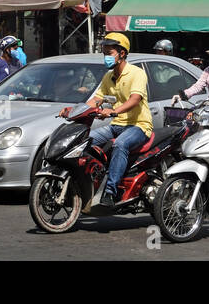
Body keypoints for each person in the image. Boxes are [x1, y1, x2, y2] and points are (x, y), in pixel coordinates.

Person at [64, 33, 152, 209]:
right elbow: (96, 100)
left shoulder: (137, 73)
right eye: (104, 53)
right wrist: (73, 110)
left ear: (122, 53)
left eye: (109, 53)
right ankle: (90, 181)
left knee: (120, 144)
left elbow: (135, 99)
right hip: (116, 125)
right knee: (82, 141)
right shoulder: (108, 77)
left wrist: (113, 111)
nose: (106, 57)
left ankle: (110, 192)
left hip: (139, 126)